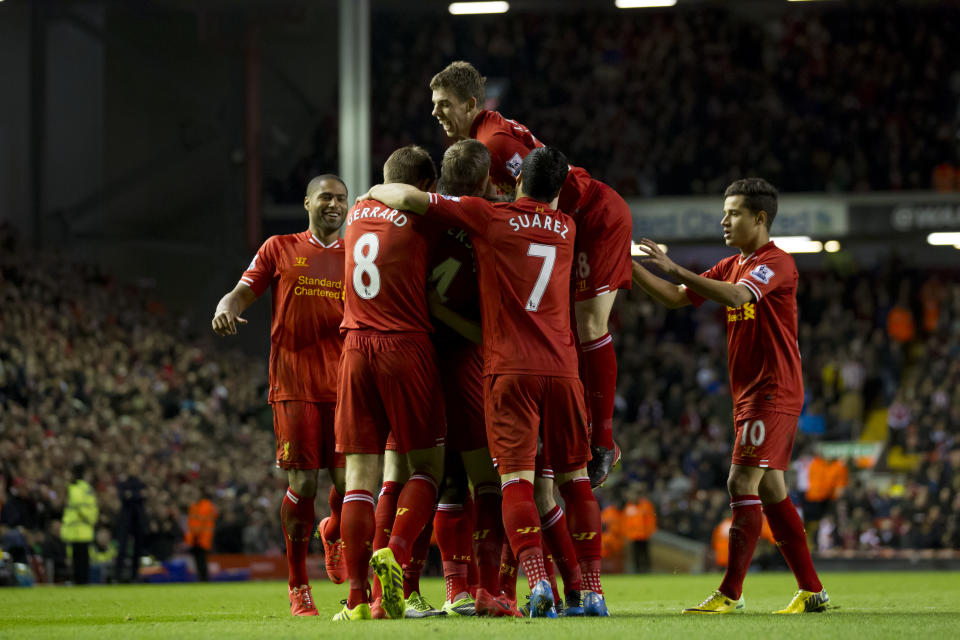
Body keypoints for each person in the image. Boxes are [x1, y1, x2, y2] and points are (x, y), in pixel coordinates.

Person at [364, 146, 608, 618]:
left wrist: (375, 190)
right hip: (563, 369)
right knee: (574, 483)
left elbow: (413, 200)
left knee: (510, 479)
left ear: (517, 183)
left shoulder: (490, 217)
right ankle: (591, 592)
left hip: (508, 369)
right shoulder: (568, 228)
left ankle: (538, 585)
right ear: (557, 191)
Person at [429, 61, 633, 486]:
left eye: (444, 104)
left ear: (469, 103)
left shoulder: (497, 144)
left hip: (592, 217)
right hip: (571, 228)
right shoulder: (484, 140)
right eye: (434, 105)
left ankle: (603, 443)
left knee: (589, 325)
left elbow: (547, 192)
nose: (436, 113)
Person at [631, 178, 829, 614]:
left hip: (772, 388)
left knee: (741, 481)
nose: (724, 220)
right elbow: (674, 299)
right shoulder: (729, 264)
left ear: (760, 218)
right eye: (724, 211)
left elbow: (739, 296)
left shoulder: (775, 263)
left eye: (734, 212)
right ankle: (812, 589)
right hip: (750, 392)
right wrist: (629, 268)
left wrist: (676, 267)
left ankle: (731, 593)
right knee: (772, 490)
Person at [212, 174, 349, 616]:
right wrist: (225, 307)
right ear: (307, 202)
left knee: (352, 488)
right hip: (294, 384)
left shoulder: (358, 253)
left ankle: (332, 532)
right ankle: (297, 585)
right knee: (304, 483)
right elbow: (243, 291)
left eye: (341, 199)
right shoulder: (279, 247)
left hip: (347, 385)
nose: (334, 205)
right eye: (326, 197)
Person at [333, 146, 447, 622]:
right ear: (423, 186)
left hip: (355, 347)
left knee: (359, 478)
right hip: (403, 345)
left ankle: (358, 598)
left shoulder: (357, 211)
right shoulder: (423, 218)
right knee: (428, 468)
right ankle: (395, 555)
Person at [60, 464, 97, 585]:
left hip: (78, 530)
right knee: (82, 561)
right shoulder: (84, 489)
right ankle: (82, 583)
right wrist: (92, 519)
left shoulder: (76, 488)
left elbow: (80, 507)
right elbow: (87, 507)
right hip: (82, 529)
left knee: (79, 561)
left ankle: (80, 584)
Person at [113, 463, 145, 583]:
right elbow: (124, 496)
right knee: (122, 548)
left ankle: (135, 575)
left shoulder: (140, 484)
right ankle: (117, 575)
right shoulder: (125, 483)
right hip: (126, 519)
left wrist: (131, 495)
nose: (134, 470)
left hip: (137, 519)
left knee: (137, 549)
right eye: (132, 467)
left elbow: (139, 496)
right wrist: (136, 495)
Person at [185, 490, 218, 582]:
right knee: (199, 561)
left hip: (202, 538)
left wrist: (195, 536)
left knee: (202, 561)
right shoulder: (195, 506)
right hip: (196, 539)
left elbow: (200, 523)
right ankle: (202, 579)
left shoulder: (205, 506)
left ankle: (204, 579)